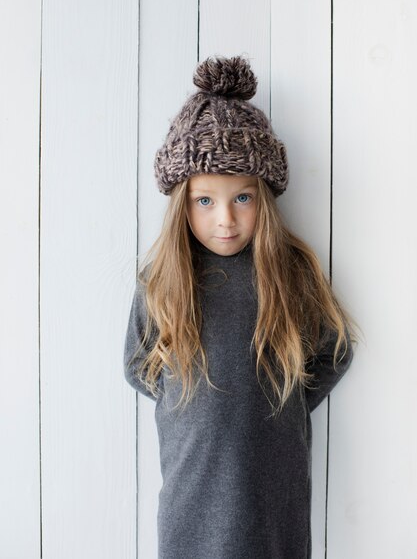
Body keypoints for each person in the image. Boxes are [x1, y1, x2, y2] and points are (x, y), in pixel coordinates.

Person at [123, 55, 358, 559]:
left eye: (243, 199)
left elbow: (332, 351)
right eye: (205, 201)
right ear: (181, 203)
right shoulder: (163, 282)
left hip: (271, 498)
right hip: (191, 495)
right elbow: (138, 366)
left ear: (264, 197)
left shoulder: (289, 272)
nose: (225, 219)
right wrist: (197, 408)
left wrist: (276, 403)